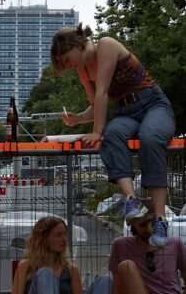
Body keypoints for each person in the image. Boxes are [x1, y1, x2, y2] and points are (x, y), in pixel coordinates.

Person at [51, 24, 175, 247]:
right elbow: (95, 106)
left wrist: (96, 131)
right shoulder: (83, 70)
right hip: (126, 111)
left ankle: (160, 220)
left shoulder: (106, 45)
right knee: (112, 135)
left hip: (153, 104)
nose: (68, 65)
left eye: (66, 59)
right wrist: (79, 118)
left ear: (75, 45)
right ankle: (132, 202)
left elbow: (102, 93)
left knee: (149, 138)